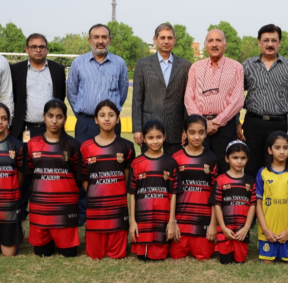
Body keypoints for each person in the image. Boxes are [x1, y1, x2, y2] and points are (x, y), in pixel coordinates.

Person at [67, 23, 129, 226]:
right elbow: (72, 93)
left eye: (104, 37)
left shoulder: (119, 63)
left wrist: (110, 116)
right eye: (96, 37)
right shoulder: (78, 63)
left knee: (110, 168)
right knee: (84, 167)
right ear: (89, 40)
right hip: (85, 123)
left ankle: (110, 208)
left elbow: (122, 92)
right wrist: (84, 116)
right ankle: (84, 212)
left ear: (110, 40)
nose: (100, 41)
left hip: (112, 125)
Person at [10, 33, 66, 222]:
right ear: (26, 49)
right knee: (24, 173)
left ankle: (49, 214)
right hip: (24, 130)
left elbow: (61, 98)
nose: (38, 50)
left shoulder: (58, 69)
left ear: (47, 49)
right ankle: (19, 217)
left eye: (41, 46)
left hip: (50, 130)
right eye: (33, 46)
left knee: (50, 173)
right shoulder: (15, 70)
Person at [238, 24, 288, 178]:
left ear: (280, 43)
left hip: (278, 124)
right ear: (259, 42)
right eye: (266, 40)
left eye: (274, 40)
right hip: (253, 123)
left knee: (277, 165)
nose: (270, 44)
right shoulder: (248, 65)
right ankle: (253, 201)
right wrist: (236, 123)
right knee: (251, 166)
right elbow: (237, 95)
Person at [80, 99, 135, 259]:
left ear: (118, 119)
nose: (106, 119)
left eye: (111, 115)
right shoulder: (85, 147)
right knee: (94, 254)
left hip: (117, 208)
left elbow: (126, 178)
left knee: (117, 254)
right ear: (96, 119)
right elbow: (85, 178)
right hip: (96, 208)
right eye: (102, 115)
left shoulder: (126, 147)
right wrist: (94, 195)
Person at [185, 29, 244, 174]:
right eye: (210, 41)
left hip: (224, 127)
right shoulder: (195, 67)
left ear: (225, 44)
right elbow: (188, 97)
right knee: (198, 167)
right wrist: (203, 123)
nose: (214, 44)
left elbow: (237, 100)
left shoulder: (236, 67)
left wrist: (217, 122)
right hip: (199, 128)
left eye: (218, 40)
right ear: (205, 45)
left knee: (224, 167)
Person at [27, 99, 80, 257]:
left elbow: (77, 175)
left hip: (65, 209)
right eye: (50, 116)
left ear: (65, 118)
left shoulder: (73, 145)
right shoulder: (32, 144)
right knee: (42, 253)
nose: (54, 121)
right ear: (44, 117)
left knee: (69, 253)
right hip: (40, 209)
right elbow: (30, 174)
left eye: (59, 116)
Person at [133, 23, 192, 155]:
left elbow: (188, 101)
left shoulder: (185, 65)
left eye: (170, 38)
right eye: (162, 38)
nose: (166, 41)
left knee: (173, 168)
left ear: (174, 40)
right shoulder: (143, 64)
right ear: (155, 40)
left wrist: (186, 129)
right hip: (149, 128)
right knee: (149, 168)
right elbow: (137, 100)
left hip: (175, 129)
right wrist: (137, 129)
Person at [128, 120, 182, 261]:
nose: (155, 141)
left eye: (158, 137)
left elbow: (174, 193)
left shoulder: (170, 163)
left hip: (162, 218)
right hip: (142, 218)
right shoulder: (136, 163)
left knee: (159, 255)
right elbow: (132, 194)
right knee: (143, 257)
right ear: (144, 139)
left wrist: (172, 221)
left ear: (164, 137)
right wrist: (132, 221)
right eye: (151, 138)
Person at [169, 115, 218, 260]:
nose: (197, 137)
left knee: (205, 255)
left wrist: (213, 224)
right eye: (192, 132)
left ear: (205, 133)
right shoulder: (176, 158)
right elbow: (171, 194)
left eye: (201, 132)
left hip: (203, 221)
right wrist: (172, 222)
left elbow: (216, 195)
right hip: (181, 222)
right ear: (184, 133)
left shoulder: (212, 159)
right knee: (175, 255)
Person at [256, 131, 288, 264]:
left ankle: (287, 237)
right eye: (277, 148)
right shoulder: (262, 172)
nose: (282, 151)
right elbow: (258, 203)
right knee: (267, 263)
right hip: (268, 231)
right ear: (270, 150)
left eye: (285, 148)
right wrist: (266, 230)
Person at [209, 141, 256, 264]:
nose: (239, 161)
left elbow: (252, 205)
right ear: (227, 158)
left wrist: (246, 228)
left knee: (240, 260)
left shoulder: (250, 181)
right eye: (235, 158)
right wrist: (223, 228)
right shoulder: (220, 180)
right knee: (225, 261)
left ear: (247, 159)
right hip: (225, 230)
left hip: (241, 230)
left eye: (243, 158)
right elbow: (217, 205)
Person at [0, 103, 23, 257]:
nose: (0, 122)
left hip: (9, 206)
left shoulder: (16, 145)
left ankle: (14, 233)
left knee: (9, 254)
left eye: (4, 118)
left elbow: (20, 175)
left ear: (8, 121)